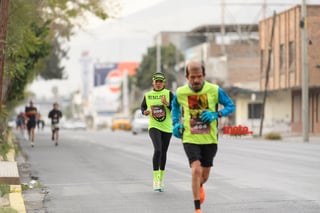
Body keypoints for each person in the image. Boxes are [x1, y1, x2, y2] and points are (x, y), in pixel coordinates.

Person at [171, 61, 235, 213]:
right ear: (187, 77)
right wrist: (175, 124)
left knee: (204, 176)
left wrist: (216, 114)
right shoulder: (180, 92)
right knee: (196, 170)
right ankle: (197, 209)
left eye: (199, 76)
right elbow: (175, 107)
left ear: (204, 75)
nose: (196, 80)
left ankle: (199, 185)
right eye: (193, 77)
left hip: (210, 139)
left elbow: (230, 106)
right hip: (189, 138)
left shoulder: (214, 90)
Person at [141, 72, 174, 192]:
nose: (158, 84)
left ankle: (161, 180)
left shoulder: (169, 94)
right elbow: (143, 108)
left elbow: (176, 109)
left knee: (164, 152)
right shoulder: (148, 95)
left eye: (161, 82)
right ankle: (155, 180)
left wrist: (167, 104)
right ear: (153, 82)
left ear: (164, 83)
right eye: (156, 81)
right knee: (158, 150)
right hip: (154, 126)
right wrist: (144, 112)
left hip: (167, 127)